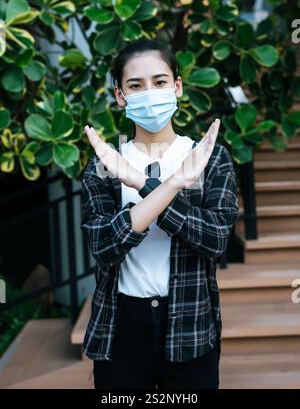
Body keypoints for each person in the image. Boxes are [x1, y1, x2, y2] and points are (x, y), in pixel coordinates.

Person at [80, 37, 239, 390]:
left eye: (160, 82)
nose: (149, 92)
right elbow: (104, 247)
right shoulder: (105, 164)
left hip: (190, 323)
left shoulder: (209, 158)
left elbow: (215, 241)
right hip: (120, 327)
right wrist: (171, 185)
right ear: (120, 95)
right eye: (136, 85)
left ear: (177, 87)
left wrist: (139, 183)